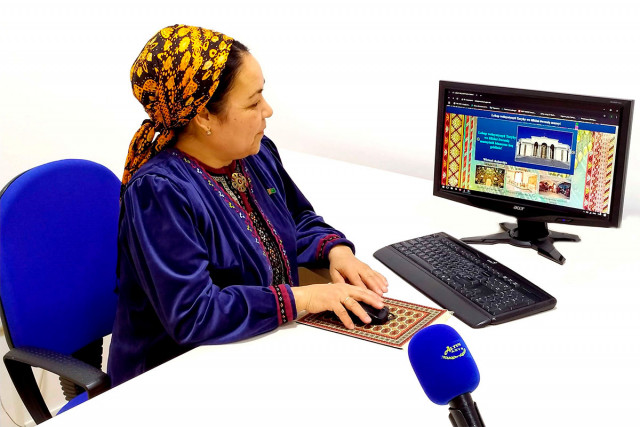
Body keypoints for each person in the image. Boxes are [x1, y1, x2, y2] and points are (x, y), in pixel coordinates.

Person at [107, 24, 388, 386]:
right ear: (203, 116)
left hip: (255, 348)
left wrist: (337, 253)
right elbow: (194, 313)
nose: (267, 110)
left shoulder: (254, 154)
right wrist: (303, 298)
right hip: (172, 376)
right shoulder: (160, 192)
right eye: (253, 103)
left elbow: (298, 219)